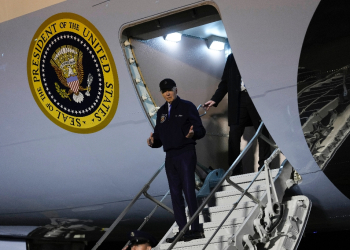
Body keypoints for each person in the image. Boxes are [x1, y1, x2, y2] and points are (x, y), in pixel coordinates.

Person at [147, 79, 206, 243]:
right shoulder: (161, 112)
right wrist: (153, 143)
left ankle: (195, 230)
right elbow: (158, 137)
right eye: (164, 91)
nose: (167, 93)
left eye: (170, 90)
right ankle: (182, 230)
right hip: (170, 156)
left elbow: (201, 130)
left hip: (186, 153)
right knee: (175, 195)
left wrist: (193, 134)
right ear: (161, 93)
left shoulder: (187, 106)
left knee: (188, 191)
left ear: (176, 89)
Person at [203, 53, 271, 175]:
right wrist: (215, 99)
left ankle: (264, 167)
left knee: (262, 131)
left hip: (256, 97)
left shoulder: (257, 54)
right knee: (234, 134)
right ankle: (235, 169)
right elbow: (225, 82)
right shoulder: (231, 57)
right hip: (238, 99)